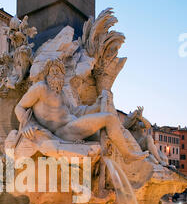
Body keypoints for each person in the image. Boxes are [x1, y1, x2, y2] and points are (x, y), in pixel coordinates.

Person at [14, 59, 148, 162]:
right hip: (63, 132)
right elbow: (19, 107)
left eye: (59, 71)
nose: (56, 73)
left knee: (106, 138)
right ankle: (127, 155)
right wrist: (27, 124)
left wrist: (96, 105)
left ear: (63, 75)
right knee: (110, 118)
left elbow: (77, 111)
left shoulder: (62, 94)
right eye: (52, 71)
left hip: (73, 126)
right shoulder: (40, 88)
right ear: (47, 74)